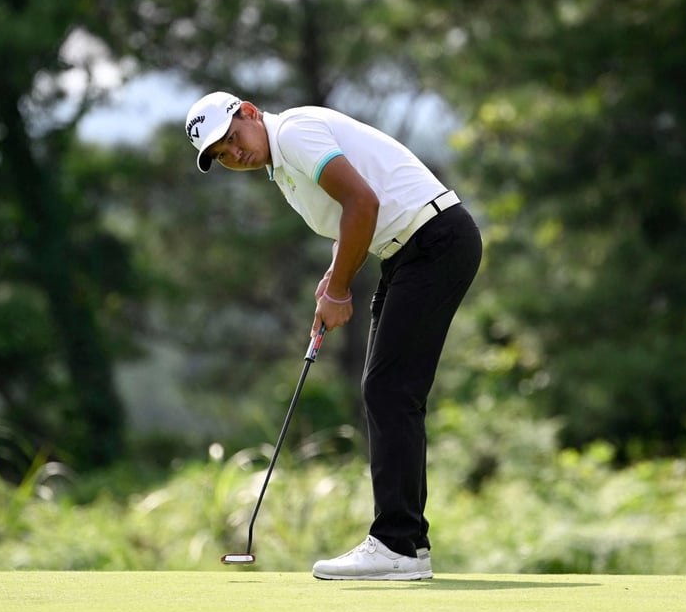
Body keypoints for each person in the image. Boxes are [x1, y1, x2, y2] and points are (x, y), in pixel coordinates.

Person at [185, 91, 482, 580]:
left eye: (232, 138)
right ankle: (407, 545)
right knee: (389, 391)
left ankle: (398, 546)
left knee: (389, 391)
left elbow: (362, 202)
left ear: (251, 113)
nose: (233, 155)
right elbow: (350, 218)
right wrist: (332, 278)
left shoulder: (295, 133)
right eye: (221, 155)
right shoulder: (280, 164)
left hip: (434, 241)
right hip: (410, 251)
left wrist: (340, 289)